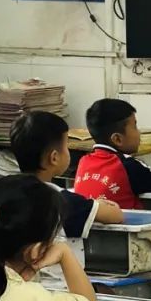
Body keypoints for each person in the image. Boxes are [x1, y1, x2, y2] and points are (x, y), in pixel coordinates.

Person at [10, 110, 123, 264]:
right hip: (62, 284)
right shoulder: (62, 200)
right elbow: (115, 215)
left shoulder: (4, 192)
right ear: (54, 157)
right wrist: (100, 204)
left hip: (15, 282)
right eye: (66, 146)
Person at [73, 98, 151, 211]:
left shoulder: (84, 162)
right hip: (125, 224)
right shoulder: (127, 165)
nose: (138, 133)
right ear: (117, 139)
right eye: (135, 127)